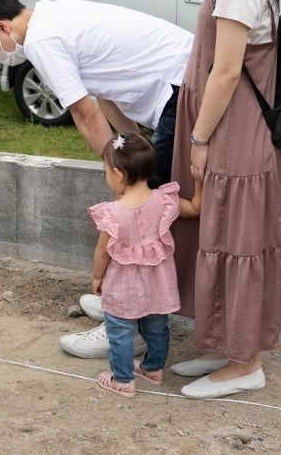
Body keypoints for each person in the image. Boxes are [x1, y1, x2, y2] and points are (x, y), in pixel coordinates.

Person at [0, 0, 193, 357]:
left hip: (179, 89)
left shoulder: (41, 40)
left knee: (137, 216)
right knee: (142, 210)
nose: (0, 56)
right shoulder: (55, 14)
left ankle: (127, 325)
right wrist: (132, 146)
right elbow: (104, 95)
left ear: (2, 27)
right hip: (181, 79)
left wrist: (121, 172)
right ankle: (127, 300)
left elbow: (84, 113)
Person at [161, 0, 281, 398]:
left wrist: (197, 138)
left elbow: (226, 70)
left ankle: (246, 364)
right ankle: (225, 345)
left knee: (238, 237)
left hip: (236, 128)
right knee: (219, 229)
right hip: (232, 123)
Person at [65, 132, 201, 399]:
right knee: (157, 327)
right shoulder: (165, 201)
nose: (105, 176)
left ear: (118, 174)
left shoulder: (113, 213)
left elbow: (103, 250)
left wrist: (96, 276)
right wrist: (200, 181)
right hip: (158, 285)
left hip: (124, 287)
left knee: (120, 331)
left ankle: (123, 379)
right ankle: (153, 369)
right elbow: (196, 208)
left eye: (105, 170)